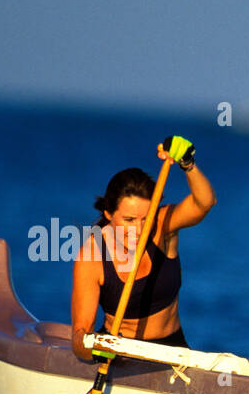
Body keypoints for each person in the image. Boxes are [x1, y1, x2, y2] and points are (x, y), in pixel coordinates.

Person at [71, 136, 216, 360]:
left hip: (173, 350)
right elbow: (80, 335)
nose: (139, 229)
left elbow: (204, 202)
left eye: (144, 219)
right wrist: (96, 350)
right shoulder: (92, 255)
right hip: (119, 354)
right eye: (129, 220)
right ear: (109, 214)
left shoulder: (162, 227)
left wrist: (188, 164)